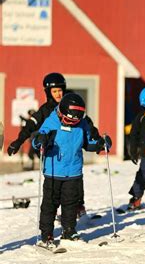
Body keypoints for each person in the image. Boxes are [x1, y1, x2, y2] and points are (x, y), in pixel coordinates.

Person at [7, 73, 100, 218]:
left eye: (60, 90)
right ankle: (53, 209)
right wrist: (18, 142)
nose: (59, 94)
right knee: (53, 184)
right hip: (52, 153)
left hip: (71, 151)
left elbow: (87, 123)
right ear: (48, 92)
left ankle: (78, 205)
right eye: (55, 91)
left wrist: (97, 139)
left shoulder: (70, 104)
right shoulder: (44, 110)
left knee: (75, 178)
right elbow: (30, 126)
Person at [33, 93, 110, 246]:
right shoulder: (52, 122)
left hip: (73, 172)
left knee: (70, 204)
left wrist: (101, 144)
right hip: (54, 171)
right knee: (50, 204)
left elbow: (88, 143)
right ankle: (46, 234)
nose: (71, 124)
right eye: (68, 120)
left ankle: (69, 231)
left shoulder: (82, 125)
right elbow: (37, 140)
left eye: (74, 121)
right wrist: (41, 140)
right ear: (61, 113)